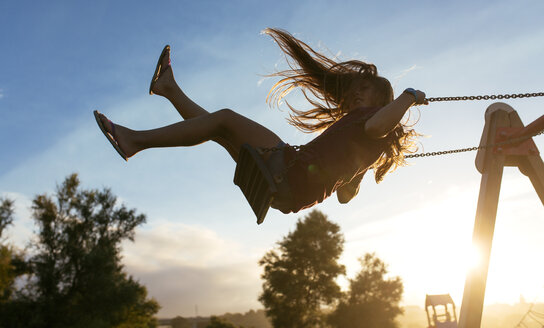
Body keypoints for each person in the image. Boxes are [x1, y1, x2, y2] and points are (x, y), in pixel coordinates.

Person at [94, 28, 427, 214]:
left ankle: (134, 140)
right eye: (355, 89)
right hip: (286, 190)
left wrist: (408, 96)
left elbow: (377, 125)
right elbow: (343, 197)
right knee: (220, 128)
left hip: (288, 169)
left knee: (224, 119)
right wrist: (357, 174)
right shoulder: (363, 146)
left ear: (381, 102)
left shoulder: (373, 122)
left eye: (365, 91)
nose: (356, 95)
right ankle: (168, 88)